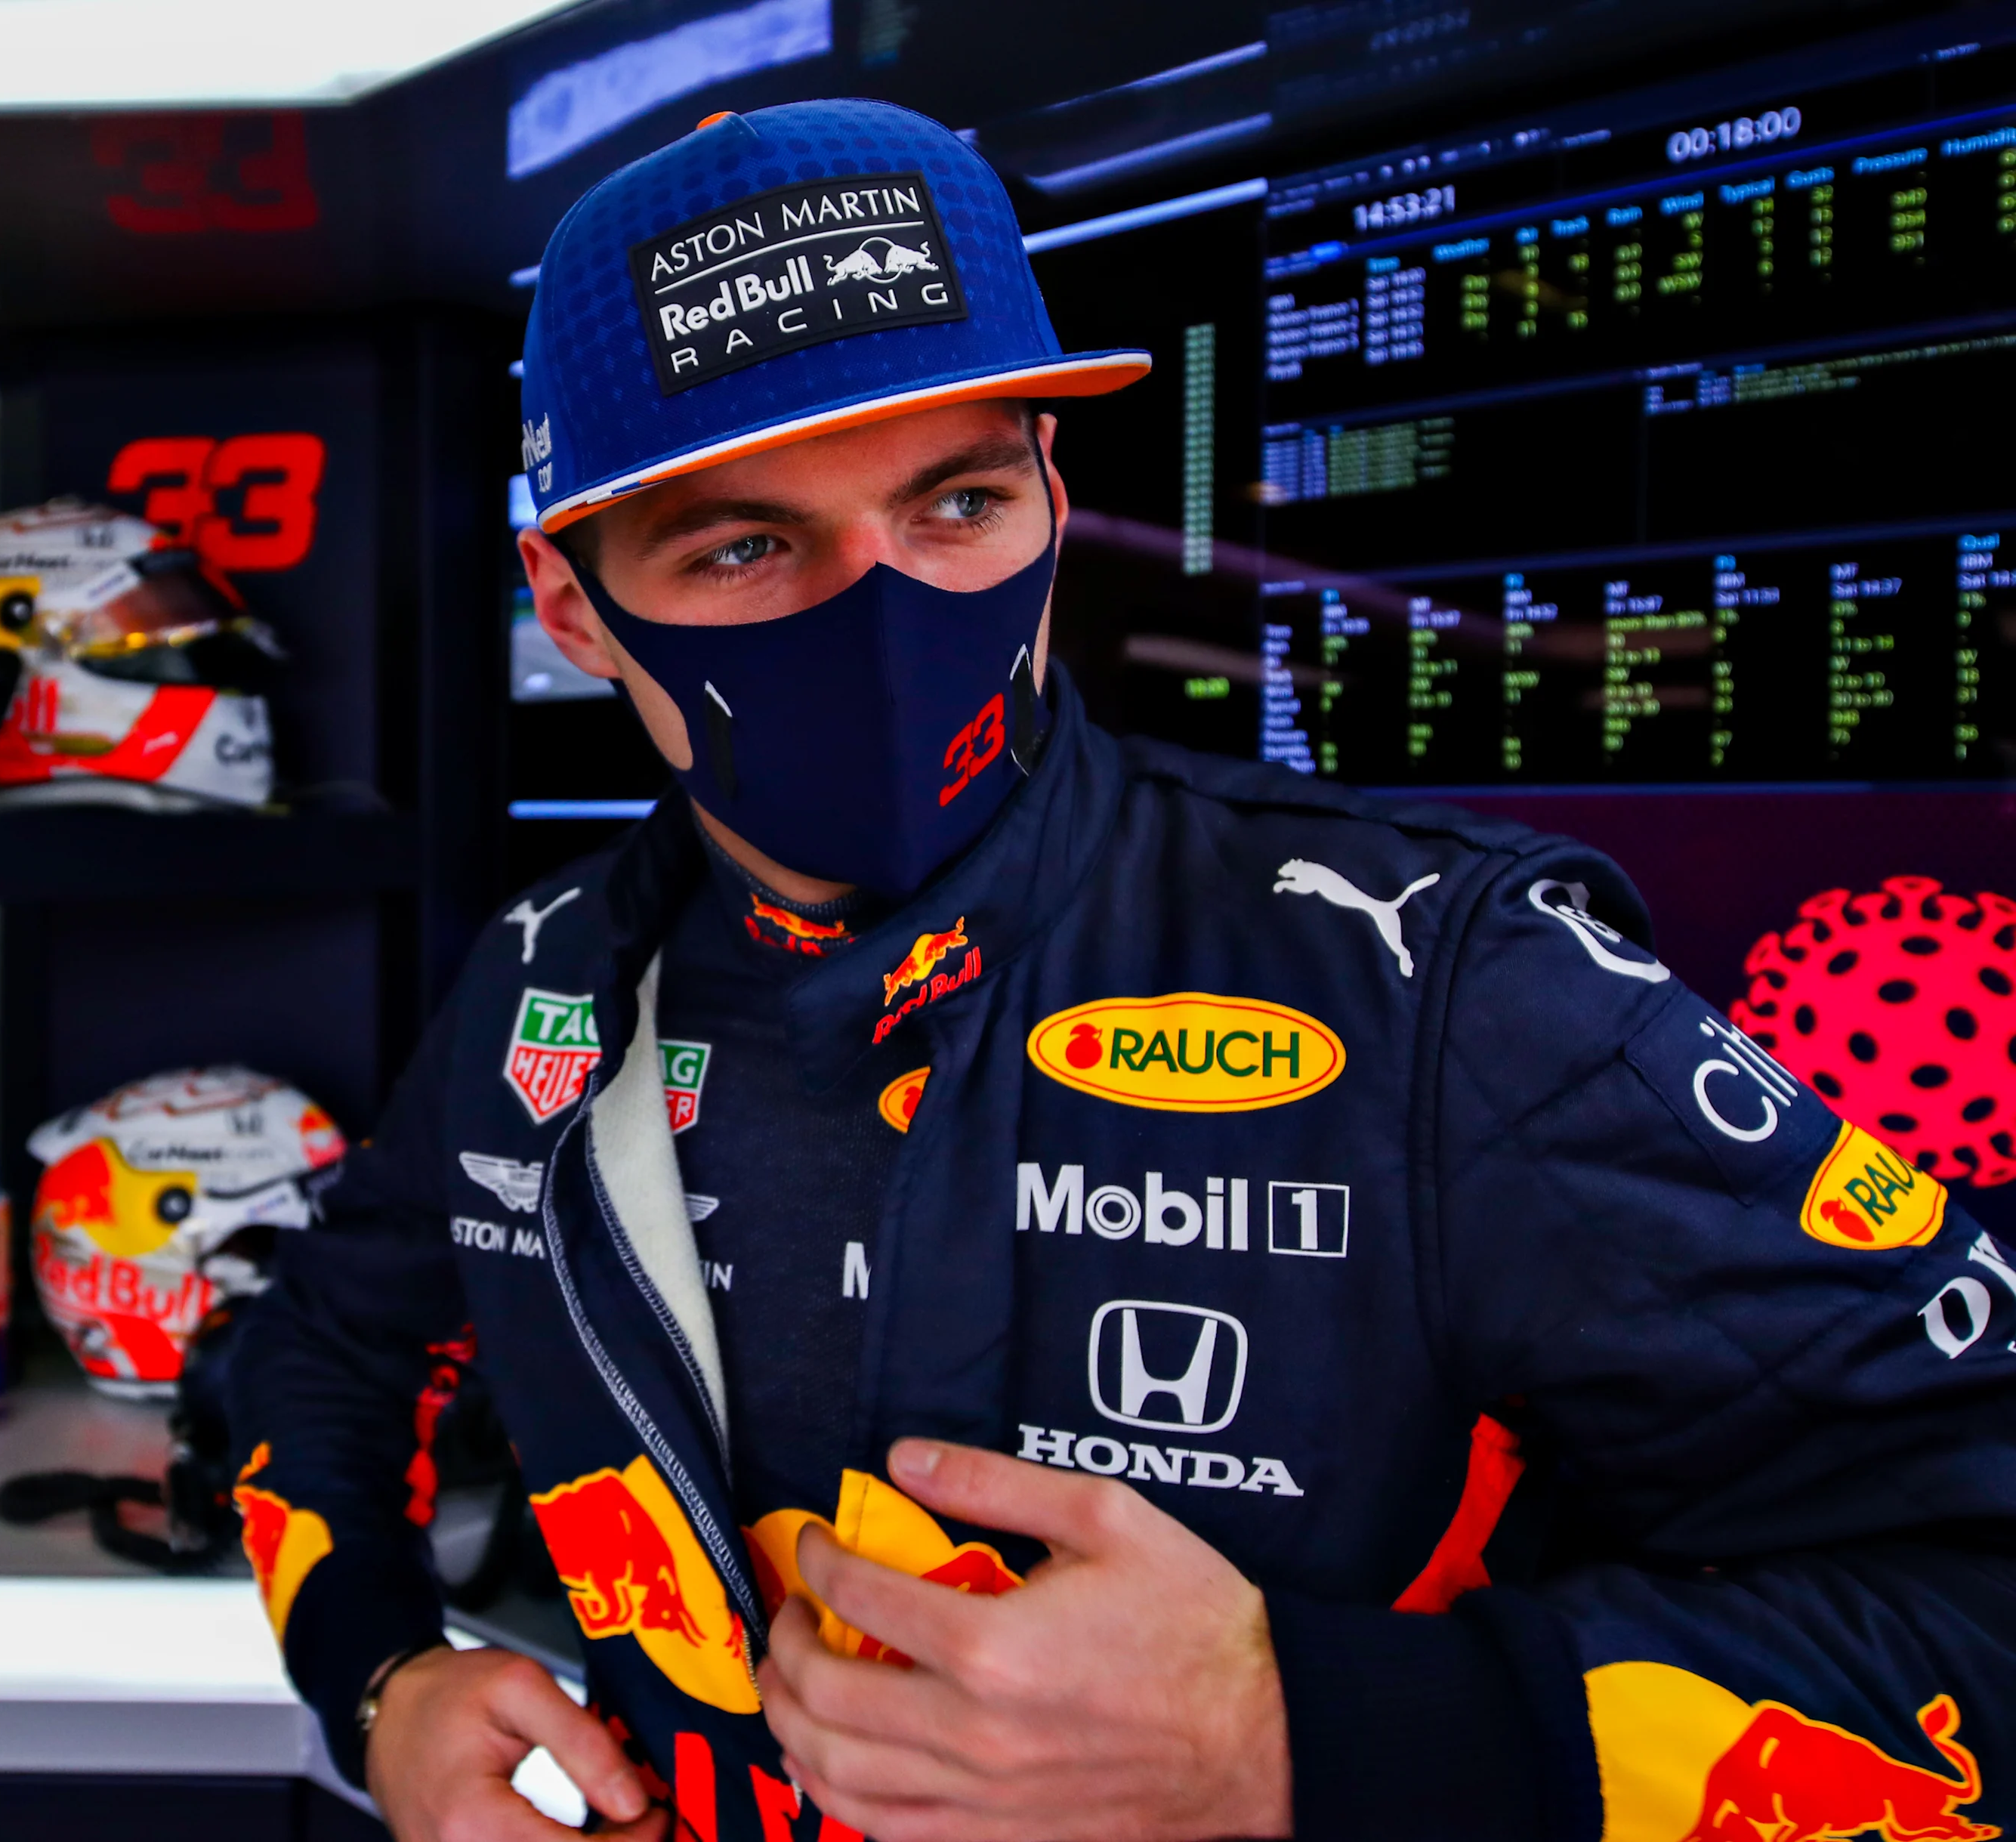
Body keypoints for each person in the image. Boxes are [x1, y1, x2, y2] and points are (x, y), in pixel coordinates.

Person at [230, 100, 2016, 1842]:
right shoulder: (542, 986)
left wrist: (1293, 1736)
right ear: (568, 600)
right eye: (746, 543)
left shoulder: (1437, 981)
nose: (881, 613)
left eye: (955, 503)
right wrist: (382, 1680)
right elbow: (317, 1350)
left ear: (1054, 492)